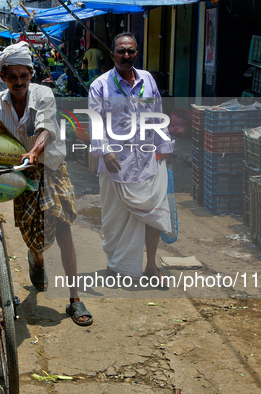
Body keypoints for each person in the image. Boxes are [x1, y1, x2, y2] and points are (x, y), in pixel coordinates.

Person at [0, 41, 93, 326]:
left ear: (31, 74)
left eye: (24, 76)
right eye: (13, 77)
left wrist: (34, 151)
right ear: (3, 77)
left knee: (63, 228)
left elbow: (47, 127)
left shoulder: (44, 94)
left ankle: (74, 298)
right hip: (22, 173)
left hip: (53, 168)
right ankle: (38, 260)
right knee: (30, 229)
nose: (19, 82)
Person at [88, 33, 173, 283]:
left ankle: (151, 266)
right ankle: (118, 266)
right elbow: (95, 123)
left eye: (131, 51)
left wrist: (165, 145)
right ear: (112, 55)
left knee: (153, 215)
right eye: (121, 51)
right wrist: (105, 150)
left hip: (148, 161)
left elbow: (157, 114)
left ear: (137, 53)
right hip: (116, 165)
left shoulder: (147, 79)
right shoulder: (100, 85)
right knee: (115, 221)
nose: (126, 55)